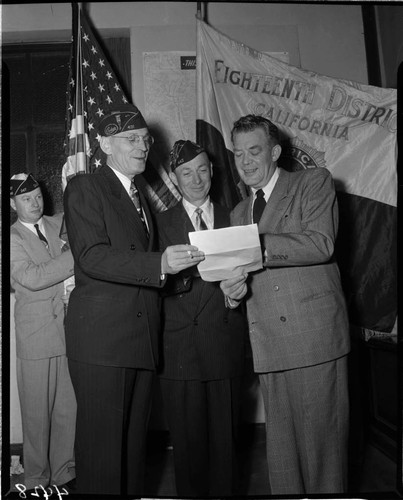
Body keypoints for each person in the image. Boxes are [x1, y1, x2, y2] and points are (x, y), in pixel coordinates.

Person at [63, 105, 204, 496]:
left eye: (145, 139)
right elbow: (91, 257)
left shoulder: (139, 197)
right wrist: (159, 262)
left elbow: (147, 274)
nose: (142, 146)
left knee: (131, 457)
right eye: (131, 139)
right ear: (105, 144)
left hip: (139, 341)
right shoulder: (86, 186)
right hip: (104, 344)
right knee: (103, 458)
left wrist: (195, 275)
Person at [221, 114, 351, 495]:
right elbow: (244, 280)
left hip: (313, 342)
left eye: (254, 151)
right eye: (238, 153)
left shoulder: (313, 182)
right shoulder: (237, 213)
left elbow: (320, 243)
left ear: (275, 152)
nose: (245, 161)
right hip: (269, 347)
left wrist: (256, 248)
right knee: (282, 462)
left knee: (323, 459)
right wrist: (232, 291)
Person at [155, 140, 247, 497]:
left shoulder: (235, 216)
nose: (196, 180)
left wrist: (238, 295)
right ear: (175, 179)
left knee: (226, 446)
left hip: (224, 342)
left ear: (213, 171)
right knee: (188, 451)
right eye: (186, 173)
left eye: (202, 170)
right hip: (178, 350)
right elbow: (151, 284)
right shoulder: (158, 223)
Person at [10, 173, 76, 493]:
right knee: (37, 416)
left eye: (37, 196)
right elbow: (32, 277)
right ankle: (36, 480)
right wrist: (76, 257)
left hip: (67, 330)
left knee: (67, 409)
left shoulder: (56, 223)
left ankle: (64, 473)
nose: (35, 203)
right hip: (35, 337)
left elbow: (85, 216)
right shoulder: (11, 238)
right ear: (12, 204)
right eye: (26, 199)